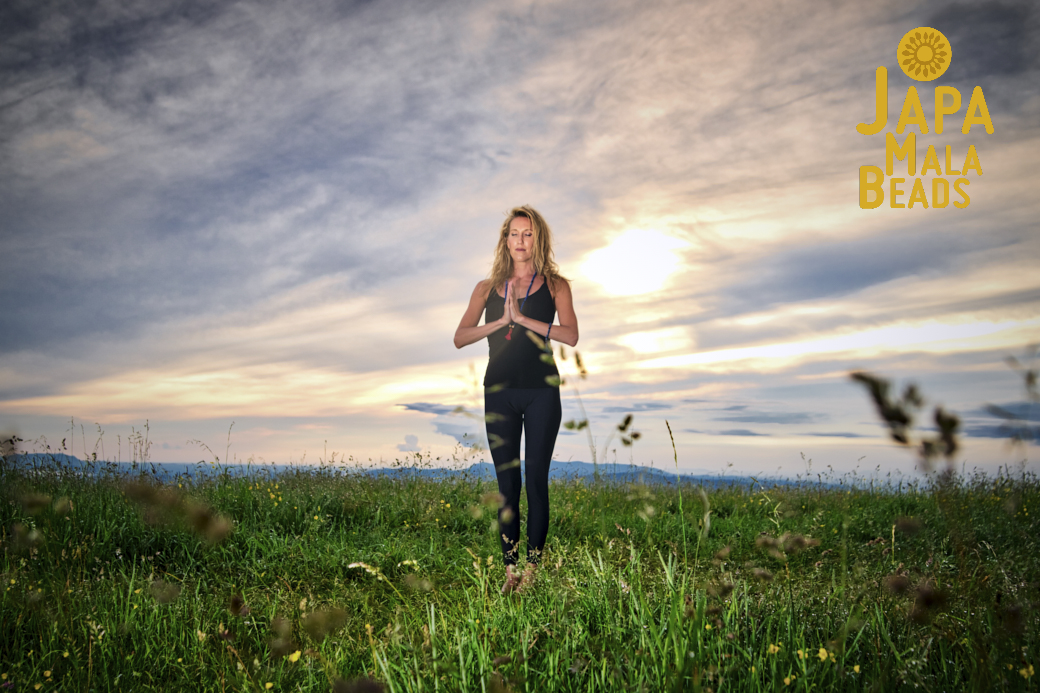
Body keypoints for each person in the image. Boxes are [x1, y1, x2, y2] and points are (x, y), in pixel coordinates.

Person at [454, 205, 579, 594]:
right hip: (499, 393)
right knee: (507, 485)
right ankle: (511, 573)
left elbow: (571, 335)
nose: (520, 241)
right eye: (513, 234)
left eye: (527, 234)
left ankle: (534, 572)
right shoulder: (485, 288)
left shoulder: (557, 285)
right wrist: (501, 322)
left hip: (542, 392)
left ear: (537, 239)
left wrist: (524, 320)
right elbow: (461, 336)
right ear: (504, 239)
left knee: (536, 482)